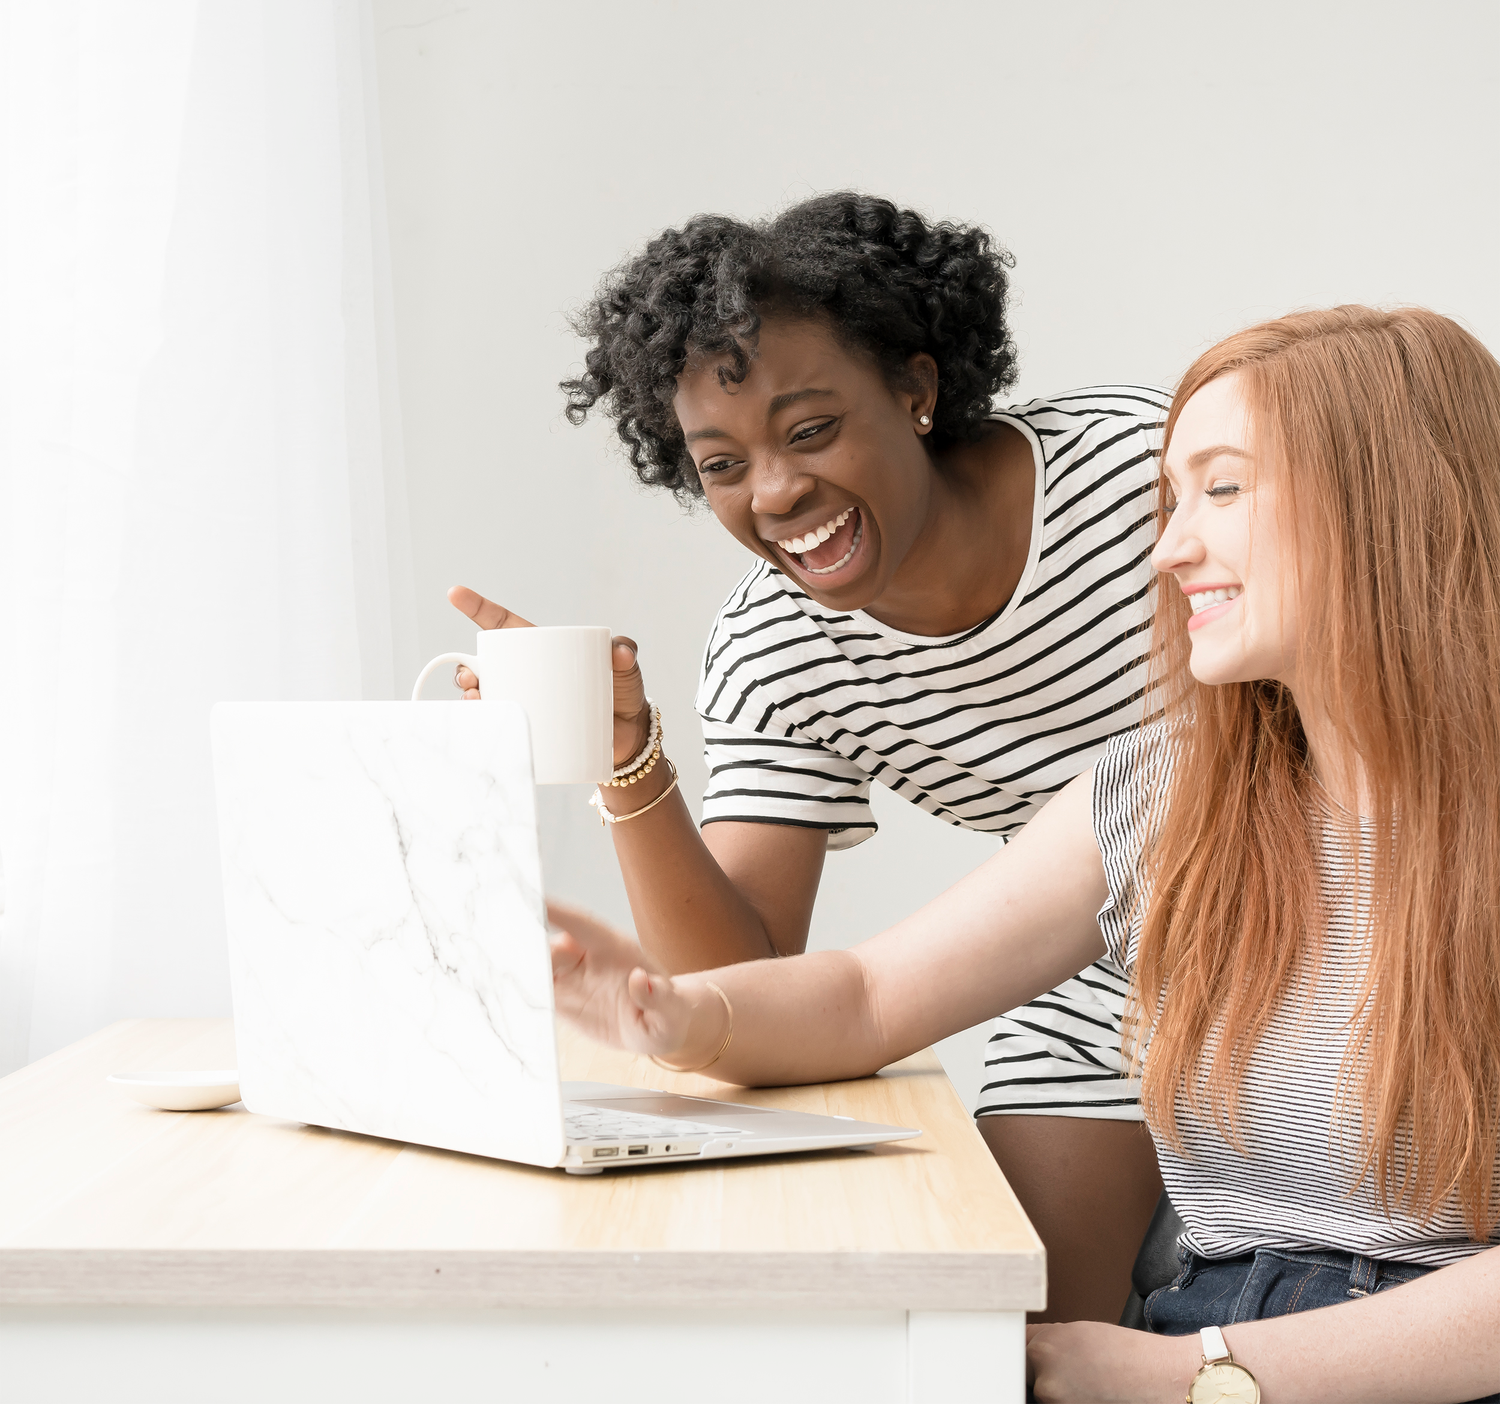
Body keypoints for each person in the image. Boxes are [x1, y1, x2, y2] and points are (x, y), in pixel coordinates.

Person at [546, 304, 1500, 1403]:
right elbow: (865, 995)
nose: (1170, 545)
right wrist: (670, 1011)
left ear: (1388, 501)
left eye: (1223, 491)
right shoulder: (1163, 792)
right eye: (1171, 500)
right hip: (1203, 1330)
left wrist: (1189, 1374)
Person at [451, 192, 1170, 1320]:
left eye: (810, 429)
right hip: (1090, 972)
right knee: (1018, 1337)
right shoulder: (776, 650)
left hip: (1352, 932)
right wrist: (626, 758)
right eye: (722, 463)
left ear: (916, 391)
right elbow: (746, 988)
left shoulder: (1150, 475)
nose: (775, 494)